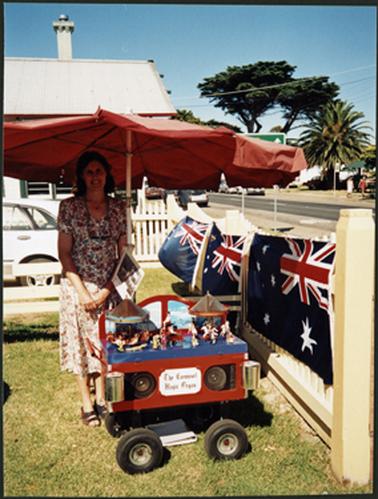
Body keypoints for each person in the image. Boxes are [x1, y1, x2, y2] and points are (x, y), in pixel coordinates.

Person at [57, 150, 127, 427]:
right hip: (77, 287)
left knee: (105, 344)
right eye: (89, 172)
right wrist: (85, 294)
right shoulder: (69, 208)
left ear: (107, 174)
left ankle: (102, 398)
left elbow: (124, 258)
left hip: (109, 287)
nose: (95, 176)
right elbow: (64, 254)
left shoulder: (120, 209)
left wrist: (105, 291)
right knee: (82, 347)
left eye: (99, 171)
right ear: (82, 177)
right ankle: (86, 402)